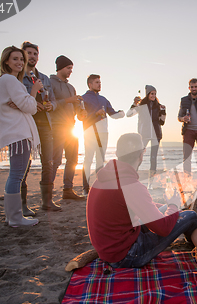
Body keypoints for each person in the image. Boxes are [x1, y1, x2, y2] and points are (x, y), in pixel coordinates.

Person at [86, 133, 197, 268]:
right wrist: (174, 204)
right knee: (190, 215)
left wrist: (165, 207)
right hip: (126, 256)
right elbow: (163, 229)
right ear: (141, 155)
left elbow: (128, 207)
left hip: (108, 250)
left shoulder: (104, 178)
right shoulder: (131, 186)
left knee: (168, 211)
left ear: (117, 153)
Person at [0, 45, 42, 227]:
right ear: (6, 61)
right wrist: (33, 91)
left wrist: (24, 101)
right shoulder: (10, 80)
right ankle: (15, 218)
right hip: (19, 133)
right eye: (15, 59)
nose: (20, 62)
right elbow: (31, 108)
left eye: (21, 59)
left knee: (15, 175)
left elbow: (24, 105)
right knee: (17, 175)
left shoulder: (7, 81)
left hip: (15, 133)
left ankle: (12, 217)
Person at [17, 41, 62, 213]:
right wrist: (34, 103)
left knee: (48, 163)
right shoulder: (18, 77)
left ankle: (47, 202)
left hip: (46, 125)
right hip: (27, 125)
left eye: (35, 54)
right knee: (25, 165)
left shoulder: (44, 78)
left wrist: (52, 106)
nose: (32, 57)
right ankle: (22, 205)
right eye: (29, 53)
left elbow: (53, 100)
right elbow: (20, 100)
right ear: (23, 55)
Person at [50, 55, 86, 200]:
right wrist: (68, 100)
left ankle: (67, 190)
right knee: (55, 160)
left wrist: (81, 111)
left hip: (71, 127)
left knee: (72, 160)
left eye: (71, 68)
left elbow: (76, 110)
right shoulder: (50, 82)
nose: (71, 71)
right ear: (60, 68)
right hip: (56, 127)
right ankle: (48, 193)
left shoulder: (71, 87)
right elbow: (50, 105)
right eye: (68, 68)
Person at [81, 74, 125, 195]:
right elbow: (81, 117)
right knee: (88, 159)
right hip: (90, 132)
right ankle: (85, 188)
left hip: (103, 133)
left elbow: (113, 114)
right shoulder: (83, 98)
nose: (99, 84)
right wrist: (95, 114)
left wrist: (121, 114)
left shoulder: (104, 99)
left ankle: (99, 187)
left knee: (100, 159)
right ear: (90, 84)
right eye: (96, 82)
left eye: (100, 82)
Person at [126, 85, 166, 189]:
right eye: (152, 93)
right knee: (138, 157)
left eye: (155, 94)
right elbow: (129, 114)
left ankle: (150, 184)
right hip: (144, 135)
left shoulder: (158, 106)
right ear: (148, 94)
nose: (153, 95)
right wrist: (134, 104)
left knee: (153, 159)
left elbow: (162, 122)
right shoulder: (141, 105)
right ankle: (132, 179)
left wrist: (163, 111)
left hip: (156, 135)